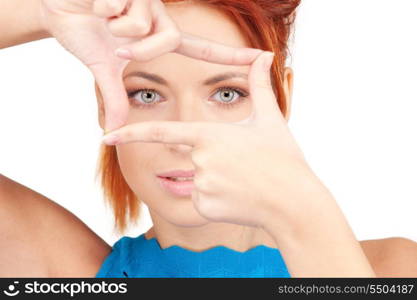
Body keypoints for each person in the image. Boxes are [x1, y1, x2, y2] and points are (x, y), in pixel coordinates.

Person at [0, 0, 416, 277]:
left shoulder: (393, 268)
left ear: (281, 99)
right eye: (147, 94)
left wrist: (306, 215)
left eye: (226, 93)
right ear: (104, 104)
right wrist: (43, 10)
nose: (186, 136)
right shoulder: (68, 270)